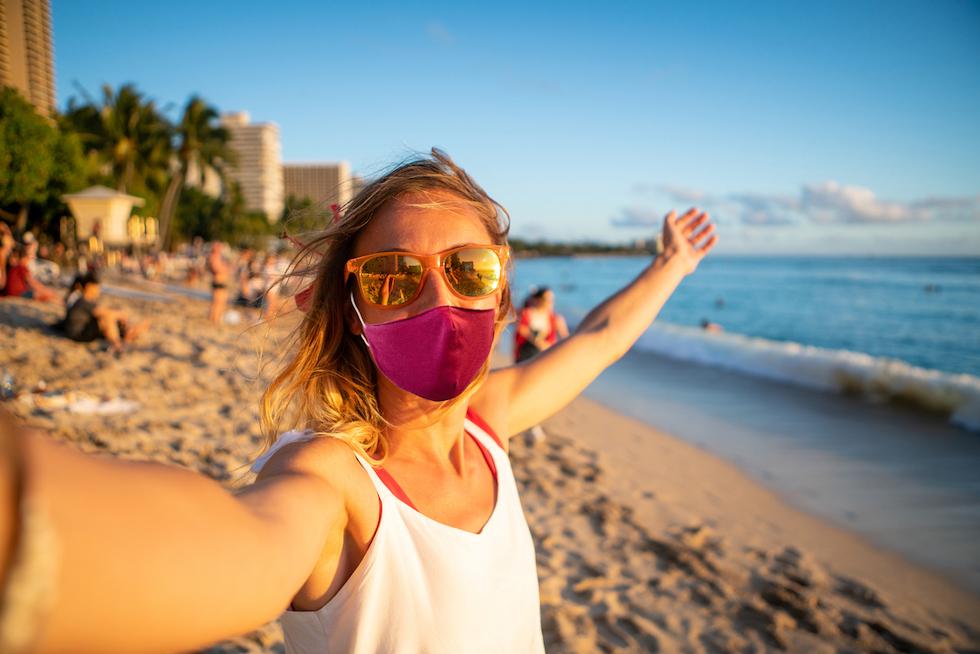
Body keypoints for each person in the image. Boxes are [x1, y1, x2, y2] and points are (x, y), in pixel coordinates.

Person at [2, 149, 716, 653]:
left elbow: (599, 337)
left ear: (500, 296)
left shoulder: (487, 424)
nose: (439, 296)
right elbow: (237, 539)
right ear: (352, 309)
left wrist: (672, 264)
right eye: (392, 278)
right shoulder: (336, 485)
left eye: (468, 269)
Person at [60, 272, 149, 352]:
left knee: (110, 314)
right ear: (89, 286)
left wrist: (118, 314)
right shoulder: (83, 300)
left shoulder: (81, 299)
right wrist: (121, 314)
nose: (98, 290)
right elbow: (103, 313)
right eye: (96, 287)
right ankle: (118, 343)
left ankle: (127, 332)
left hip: (81, 330)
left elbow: (102, 311)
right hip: (78, 334)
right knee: (106, 318)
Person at [208, 242, 231, 325]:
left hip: (222, 281)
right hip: (218, 281)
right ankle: (214, 319)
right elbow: (216, 269)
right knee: (217, 302)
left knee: (221, 302)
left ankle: (217, 318)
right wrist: (224, 269)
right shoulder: (213, 257)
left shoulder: (219, 257)